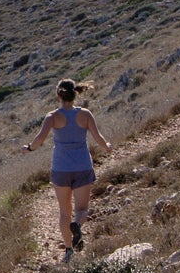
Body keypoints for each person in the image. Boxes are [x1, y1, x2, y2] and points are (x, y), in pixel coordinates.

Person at [23, 79, 113, 252]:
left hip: (61, 168)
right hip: (83, 166)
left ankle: (68, 248)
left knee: (64, 211)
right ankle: (77, 226)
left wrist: (28, 149)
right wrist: (107, 147)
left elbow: (39, 139)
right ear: (75, 93)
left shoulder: (52, 117)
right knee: (82, 209)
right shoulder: (85, 114)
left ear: (59, 95)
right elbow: (98, 137)